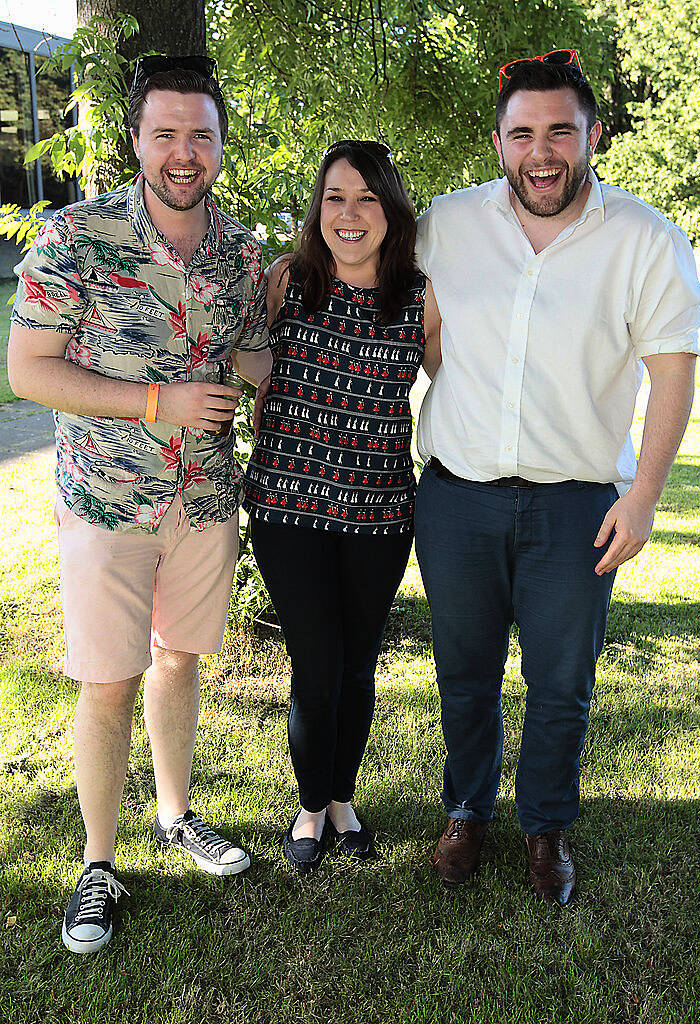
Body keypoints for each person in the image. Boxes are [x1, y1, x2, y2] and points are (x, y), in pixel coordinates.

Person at [414, 50, 700, 905]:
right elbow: (427, 332)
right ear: (497, 142)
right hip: (457, 497)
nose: (541, 152)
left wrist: (644, 497)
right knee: (462, 670)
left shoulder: (646, 239)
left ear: (591, 135)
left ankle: (543, 828)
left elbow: (672, 372)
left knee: (560, 681)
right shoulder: (448, 223)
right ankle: (466, 810)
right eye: (522, 134)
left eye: (559, 132)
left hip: (576, 504)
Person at [7, 54, 271, 952]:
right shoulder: (75, 238)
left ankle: (174, 814)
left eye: (200, 134)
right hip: (107, 505)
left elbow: (250, 357)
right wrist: (158, 403)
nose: (183, 152)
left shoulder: (241, 252)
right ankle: (97, 864)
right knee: (108, 682)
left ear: (221, 145)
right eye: (165, 133)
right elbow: (29, 369)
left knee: (178, 663)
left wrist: (325, 385)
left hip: (203, 501)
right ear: (135, 141)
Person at [242, 140, 441, 872]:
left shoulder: (421, 296)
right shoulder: (286, 280)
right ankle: (308, 802)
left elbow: (468, 387)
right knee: (315, 662)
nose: (349, 214)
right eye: (334, 197)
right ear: (316, 208)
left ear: (391, 209)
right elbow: (239, 350)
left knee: (357, 665)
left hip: (379, 515)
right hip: (286, 508)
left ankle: (340, 800)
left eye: (366, 198)